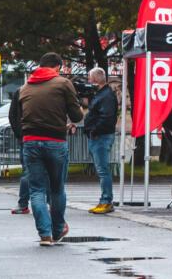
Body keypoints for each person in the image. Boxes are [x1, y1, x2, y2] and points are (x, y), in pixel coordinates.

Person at [17, 53, 83, 246]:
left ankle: (45, 234)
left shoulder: (24, 87)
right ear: (57, 67)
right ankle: (57, 229)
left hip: (30, 142)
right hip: (55, 141)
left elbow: (22, 116)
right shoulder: (63, 83)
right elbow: (76, 116)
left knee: (36, 190)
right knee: (56, 189)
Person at [83, 67, 119, 214]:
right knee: (102, 170)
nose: (88, 80)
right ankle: (105, 200)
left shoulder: (106, 96)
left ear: (96, 79)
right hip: (99, 135)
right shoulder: (102, 94)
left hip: (101, 136)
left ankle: (106, 201)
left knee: (103, 170)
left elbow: (107, 117)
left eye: (89, 77)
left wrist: (94, 130)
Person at [7, 88, 30, 214]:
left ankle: (23, 204)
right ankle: (51, 203)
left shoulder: (21, 91)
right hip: (46, 137)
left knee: (27, 172)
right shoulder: (51, 89)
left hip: (26, 138)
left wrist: (20, 134)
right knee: (48, 172)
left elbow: (12, 115)